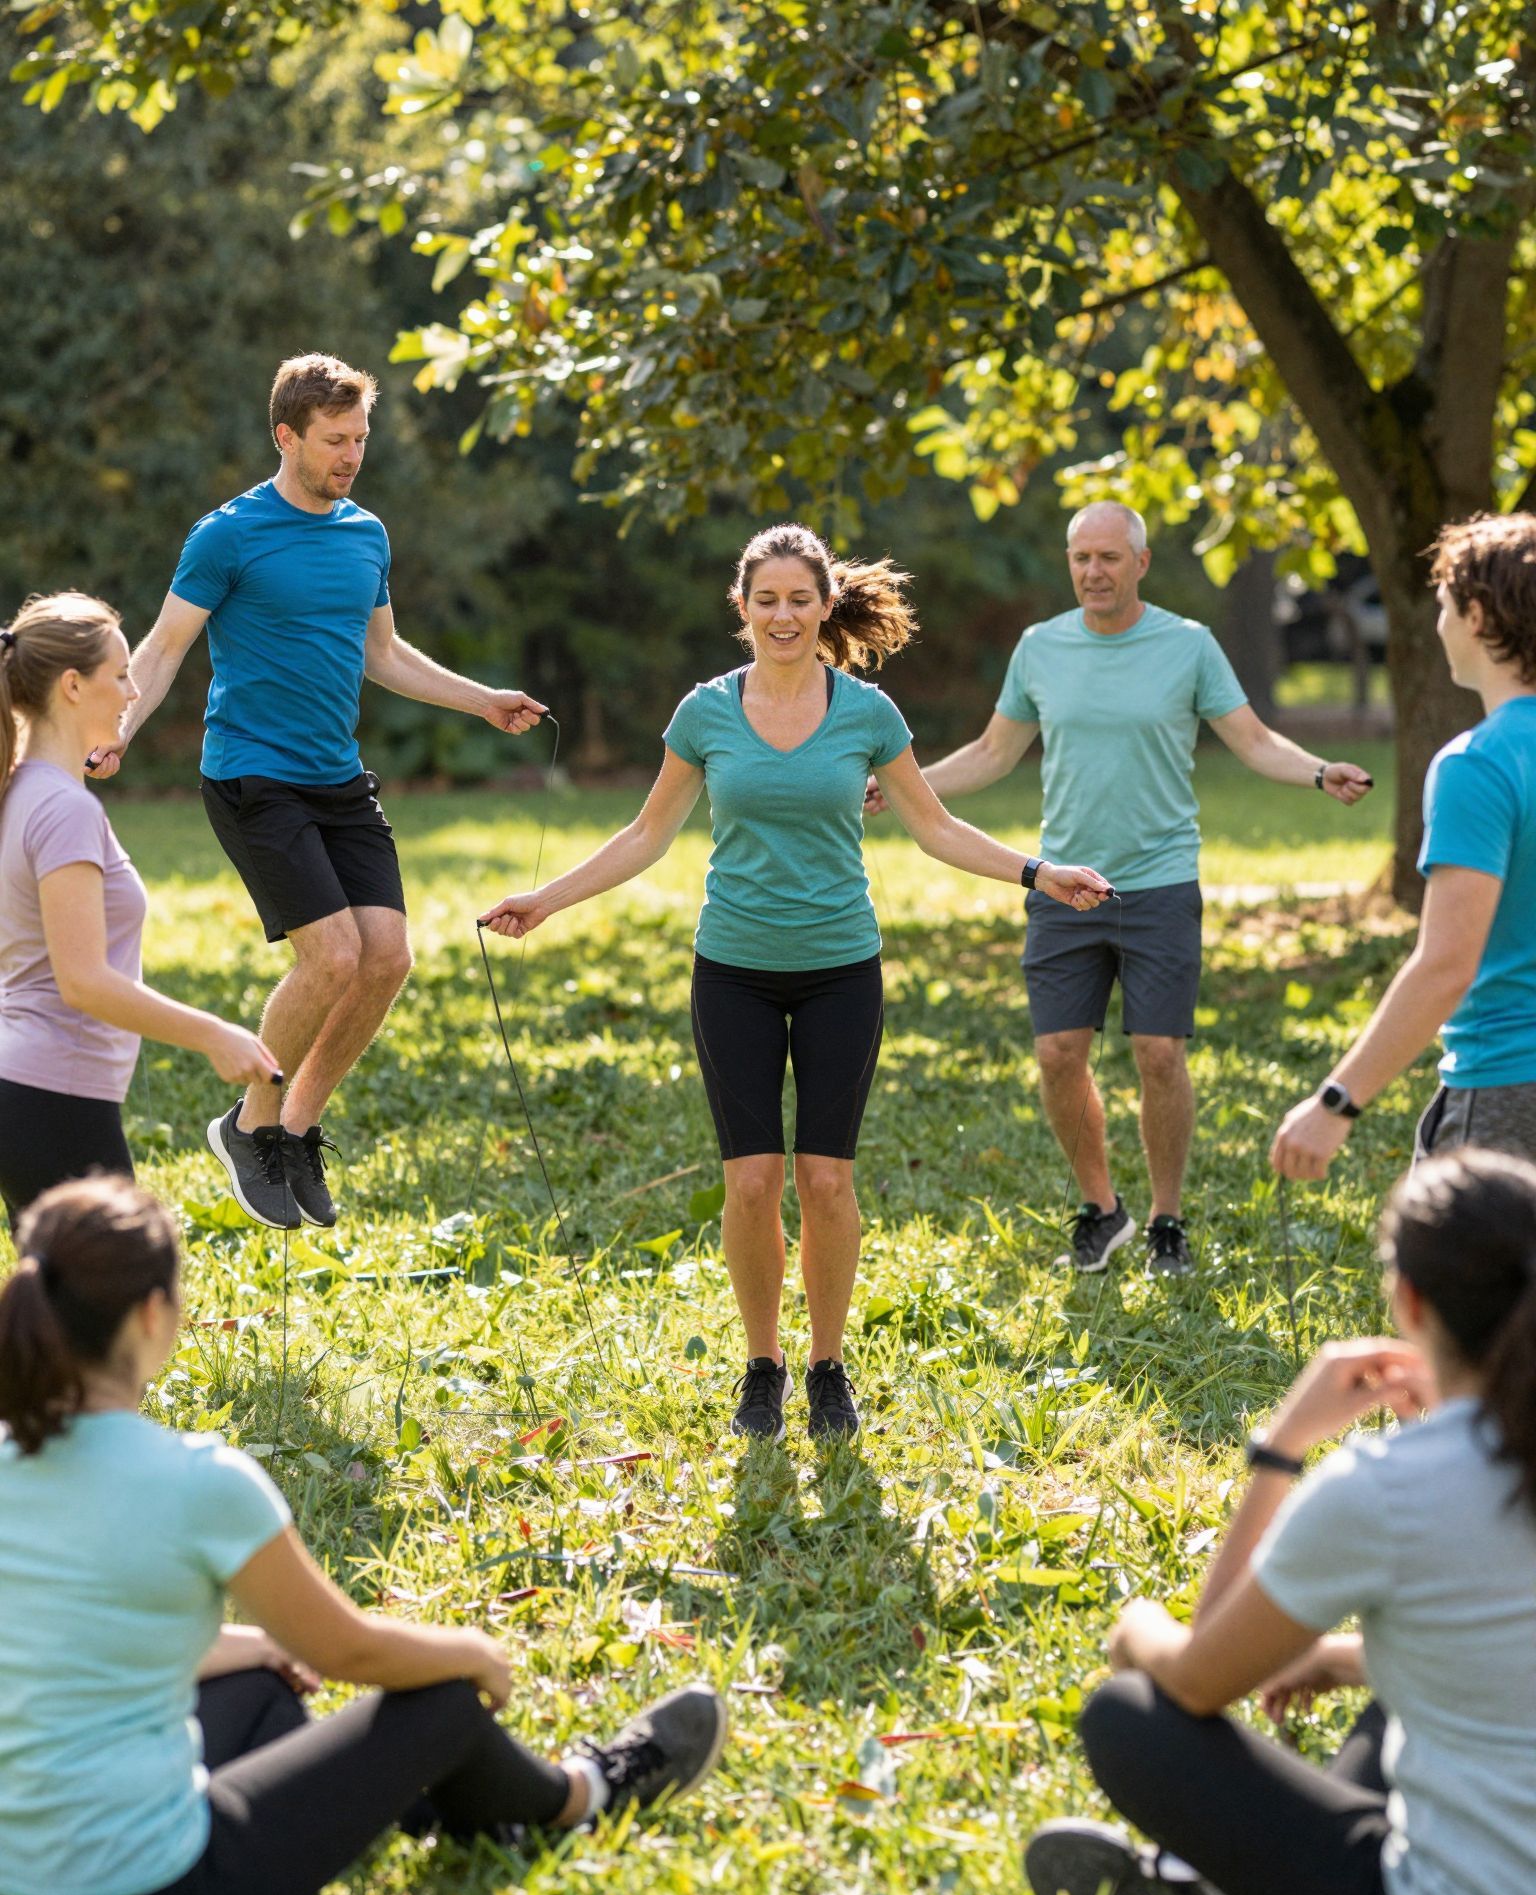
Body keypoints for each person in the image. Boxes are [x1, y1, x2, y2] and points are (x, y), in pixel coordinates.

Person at [480, 523, 1110, 1445]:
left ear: (825, 607)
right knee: (750, 1180)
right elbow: (646, 835)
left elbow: (934, 827)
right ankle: (761, 1367)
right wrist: (548, 898)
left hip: (839, 972)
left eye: (799, 600)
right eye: (766, 600)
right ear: (742, 608)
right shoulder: (705, 713)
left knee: (825, 1179)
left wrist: (1036, 871)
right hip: (731, 969)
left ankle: (827, 1367)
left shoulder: (866, 714)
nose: (783, 616)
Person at [0, 1175, 727, 1895]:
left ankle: (441, 1801)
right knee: (441, 1697)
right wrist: (475, 1651)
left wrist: (264, 1645)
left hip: (16, 1884)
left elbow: (87, 1640)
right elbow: (349, 1651)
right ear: (152, 1314)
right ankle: (580, 1797)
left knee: (259, 1687)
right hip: (154, 1894)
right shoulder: (198, 1481)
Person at [1026, 1147, 1536, 1895]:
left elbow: (1194, 1679)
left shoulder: (1388, 1486)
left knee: (1130, 1717)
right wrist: (1340, 1660)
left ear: (1408, 1303)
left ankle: (1219, 1888)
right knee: (1399, 1682)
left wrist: (1280, 1446)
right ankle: (1216, 1880)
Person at [87, 352, 547, 1232]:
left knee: (387, 960)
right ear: (285, 436)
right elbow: (165, 645)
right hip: (252, 776)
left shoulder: (365, 535)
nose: (351, 456)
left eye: (361, 439)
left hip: (337, 779)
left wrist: (481, 700)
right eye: (335, 440)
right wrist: (117, 730)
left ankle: (293, 1125)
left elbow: (384, 655)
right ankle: (250, 1123)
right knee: (331, 956)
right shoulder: (227, 535)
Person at [869, 501, 1372, 1277]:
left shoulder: (1187, 646)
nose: (1093, 572)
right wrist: (910, 788)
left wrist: (1316, 770)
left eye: (1109, 557)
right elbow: (994, 753)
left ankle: (1167, 1218)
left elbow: (1254, 740)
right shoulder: (1041, 649)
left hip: (1161, 881)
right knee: (1056, 1052)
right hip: (1064, 886)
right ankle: (1103, 1210)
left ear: (1140, 563)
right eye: (1081, 558)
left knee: (1160, 1055)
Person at [0, 593, 278, 1227]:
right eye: (120, 675)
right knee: (123, 1304)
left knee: (66, 1311)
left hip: (32, 1087)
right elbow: (83, 980)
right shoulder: (61, 809)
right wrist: (215, 1033)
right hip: (54, 1094)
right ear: (72, 686)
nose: (131, 693)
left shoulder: (19, 789)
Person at [1273, 513, 1536, 1180]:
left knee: (1453, 1289)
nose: (1437, 624)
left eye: (1444, 606)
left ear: (1477, 615)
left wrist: (1335, 1102)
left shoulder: (1479, 764)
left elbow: (1447, 964)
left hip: (1507, 1094)